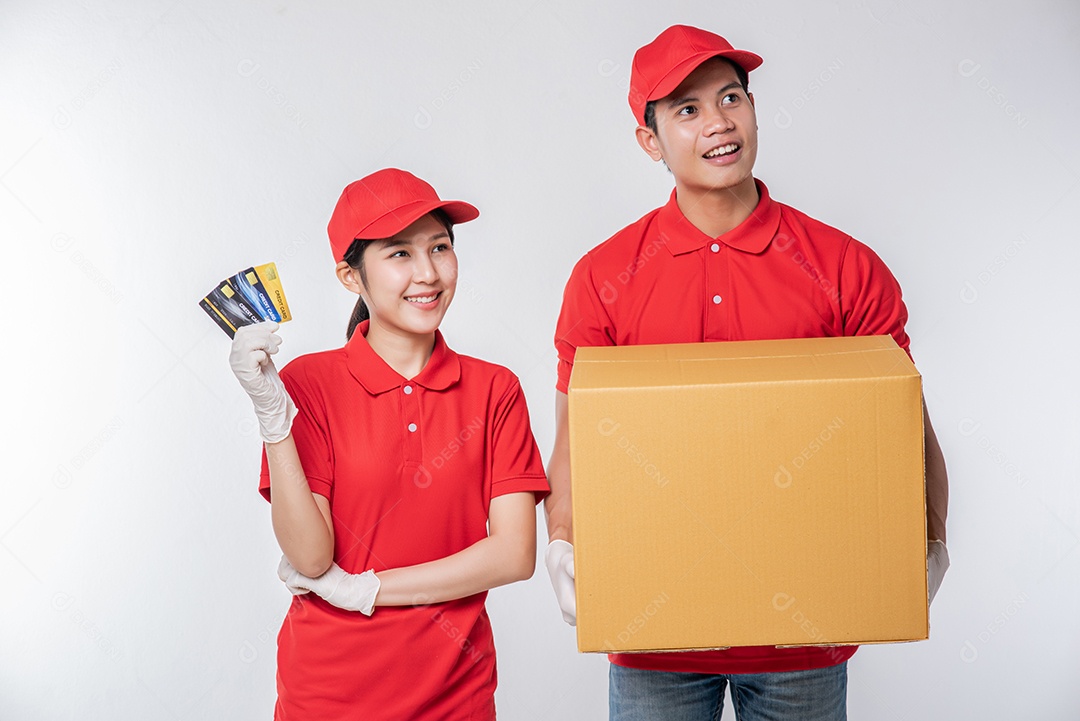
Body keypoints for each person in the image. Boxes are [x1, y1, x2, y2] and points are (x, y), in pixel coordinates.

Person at [543, 25, 950, 721]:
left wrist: (932, 531)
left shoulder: (843, 266)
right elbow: (577, 440)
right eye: (688, 110)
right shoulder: (604, 277)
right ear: (651, 141)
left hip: (805, 641)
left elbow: (902, 421)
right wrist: (562, 538)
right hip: (652, 644)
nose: (720, 123)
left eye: (732, 96)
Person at [229, 168, 549, 720]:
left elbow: (514, 554)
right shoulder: (310, 384)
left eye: (440, 248)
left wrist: (367, 589)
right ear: (352, 277)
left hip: (457, 697)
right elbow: (310, 554)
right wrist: (274, 420)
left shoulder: (496, 389)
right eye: (399, 254)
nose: (428, 273)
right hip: (327, 695)